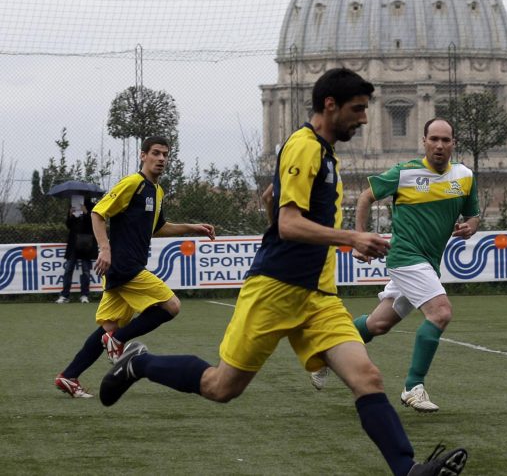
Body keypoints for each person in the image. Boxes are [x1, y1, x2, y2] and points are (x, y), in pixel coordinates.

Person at [95, 68, 468, 476]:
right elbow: (289, 226)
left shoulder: (325, 153)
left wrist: (277, 201)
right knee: (222, 387)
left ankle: (407, 469)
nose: (364, 119)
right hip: (275, 289)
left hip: (318, 297)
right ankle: (140, 363)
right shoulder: (304, 146)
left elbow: (278, 210)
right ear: (330, 105)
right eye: (357, 109)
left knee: (367, 377)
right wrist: (352, 238)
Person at [310, 117, 480, 415]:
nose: (439, 145)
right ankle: (413, 387)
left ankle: (324, 350)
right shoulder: (405, 172)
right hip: (405, 257)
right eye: (434, 139)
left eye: (446, 140)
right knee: (441, 312)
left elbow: (473, 215)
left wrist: (471, 226)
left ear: (453, 144)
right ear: (424, 142)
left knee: (378, 324)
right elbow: (365, 197)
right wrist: (360, 238)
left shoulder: (464, 176)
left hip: (428, 262)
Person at [53, 137, 215, 399]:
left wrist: (192, 228)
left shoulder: (157, 191)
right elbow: (98, 213)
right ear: (143, 156)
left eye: (165, 154)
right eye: (155, 153)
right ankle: (118, 341)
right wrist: (104, 248)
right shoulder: (133, 184)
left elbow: (159, 227)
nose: (161, 158)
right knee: (171, 306)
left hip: (127, 266)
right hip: (124, 265)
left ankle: (69, 376)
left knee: (108, 328)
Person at [56, 195, 100, 304]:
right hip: (73, 244)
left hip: (86, 243)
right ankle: (64, 296)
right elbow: (69, 225)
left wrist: (86, 213)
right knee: (68, 270)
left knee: (85, 271)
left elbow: (93, 225)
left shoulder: (92, 207)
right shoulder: (72, 206)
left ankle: (84, 295)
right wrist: (70, 215)